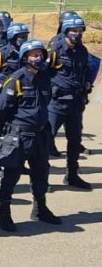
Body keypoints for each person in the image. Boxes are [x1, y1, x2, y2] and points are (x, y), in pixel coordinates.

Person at [0, 40, 62, 232]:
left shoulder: (44, 77)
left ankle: (40, 209)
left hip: (40, 134)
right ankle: (4, 214)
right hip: (20, 134)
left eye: (40, 55)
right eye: (34, 55)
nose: (38, 58)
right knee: (11, 174)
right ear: (25, 58)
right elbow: (1, 107)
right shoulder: (16, 79)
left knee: (41, 172)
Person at [48, 15, 93, 190]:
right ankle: (41, 179)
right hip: (56, 103)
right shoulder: (55, 49)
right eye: (74, 30)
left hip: (75, 103)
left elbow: (86, 70)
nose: (78, 34)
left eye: (80, 30)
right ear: (66, 31)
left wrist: (87, 83)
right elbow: (43, 72)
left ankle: (72, 175)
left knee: (74, 141)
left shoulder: (82, 51)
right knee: (46, 141)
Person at [0, 23, 30, 173]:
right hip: (1, 98)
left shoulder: (27, 53)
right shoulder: (1, 54)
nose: (23, 39)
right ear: (12, 37)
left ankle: (18, 164)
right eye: (20, 36)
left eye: (25, 36)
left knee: (18, 132)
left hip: (20, 100)